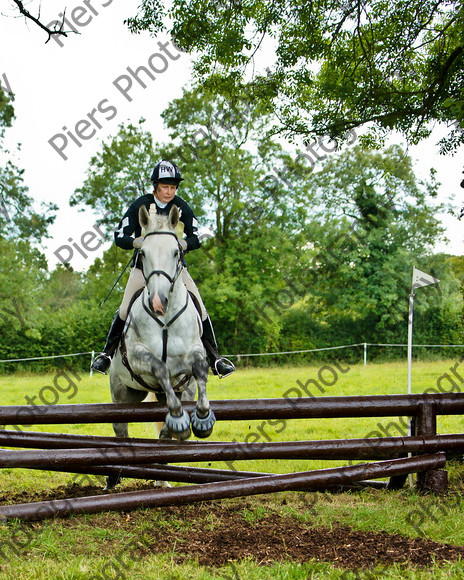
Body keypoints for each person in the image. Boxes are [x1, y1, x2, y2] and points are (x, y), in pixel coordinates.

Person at [91, 160, 235, 379]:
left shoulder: (181, 206)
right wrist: (135, 242)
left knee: (200, 308)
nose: (169, 192)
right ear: (155, 186)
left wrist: (186, 244)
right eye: (165, 187)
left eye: (173, 187)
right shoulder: (141, 204)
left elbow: (199, 235)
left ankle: (216, 359)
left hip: (175, 271)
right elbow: (119, 235)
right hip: (143, 270)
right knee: (124, 309)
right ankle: (107, 355)